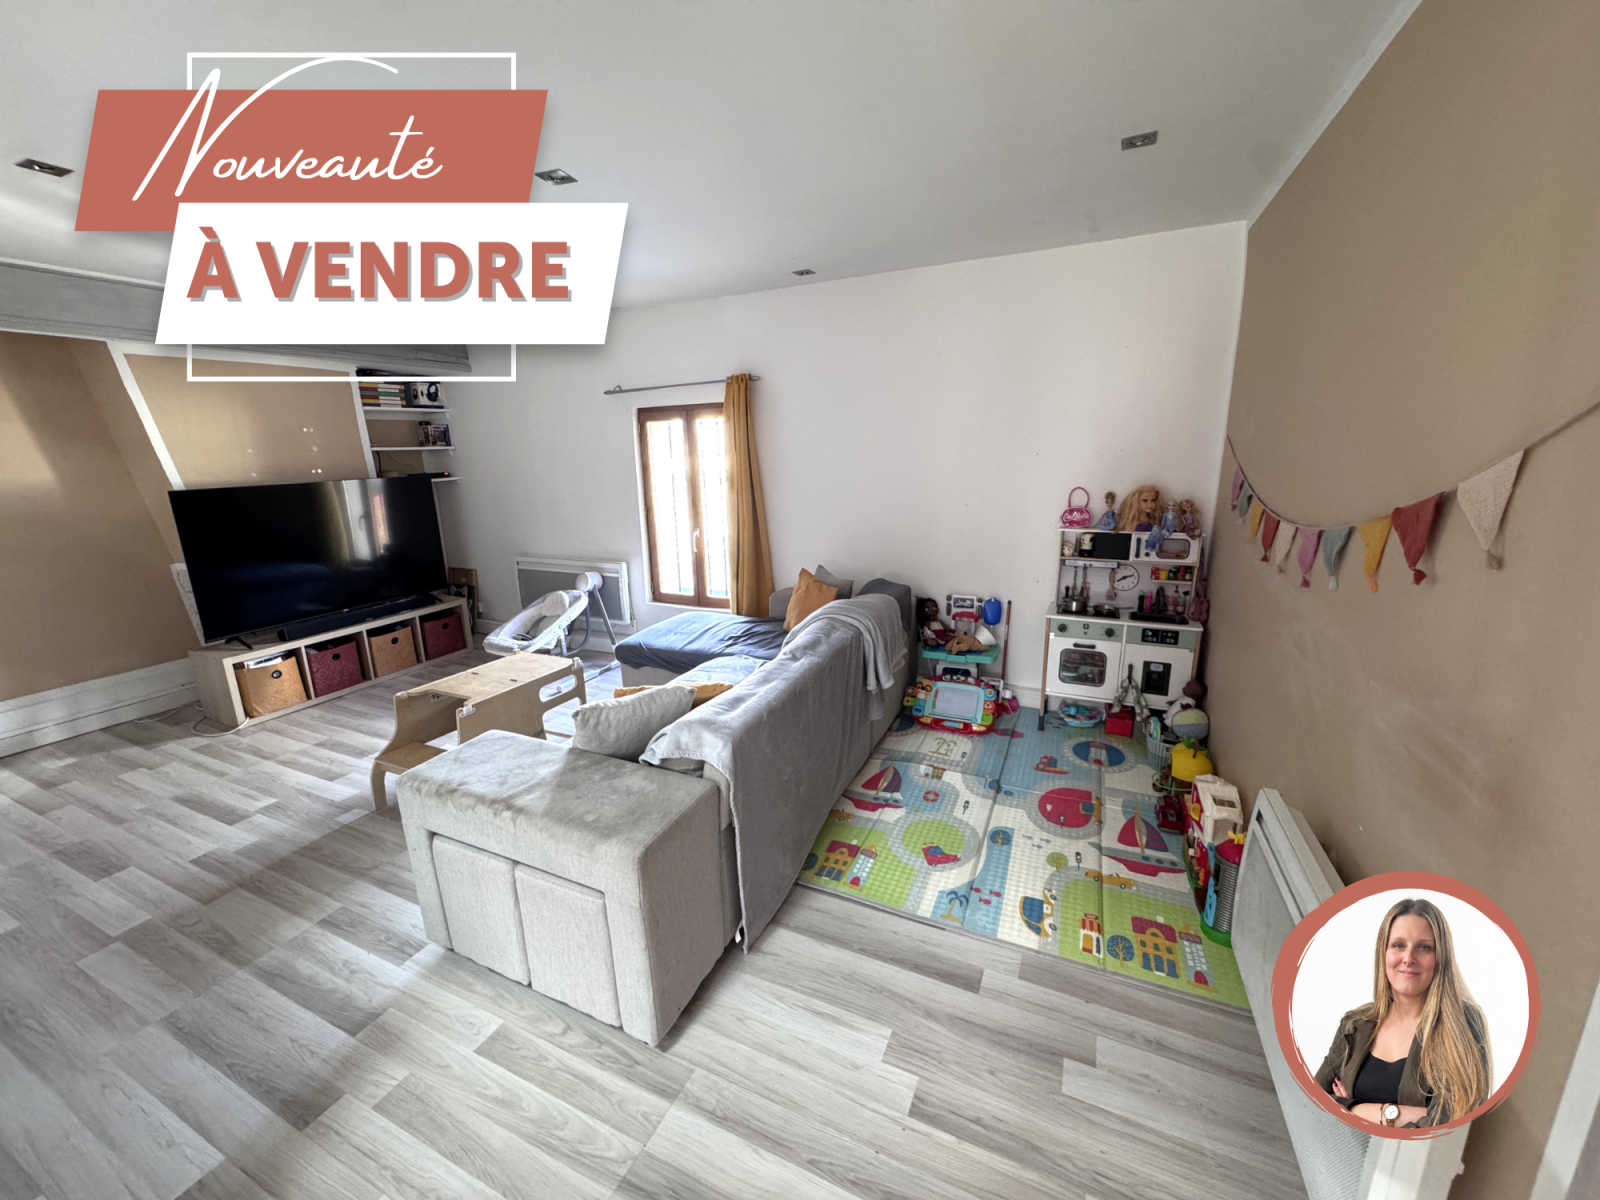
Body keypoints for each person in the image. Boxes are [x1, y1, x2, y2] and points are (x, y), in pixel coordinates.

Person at [1314, 898, 1492, 1128]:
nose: (1408, 958)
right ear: (1383, 953)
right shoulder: (1355, 1023)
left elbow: (1449, 1125)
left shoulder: (1461, 1021)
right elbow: (1313, 1103)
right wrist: (1394, 1114)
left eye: (1424, 947)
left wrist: (1350, 1108)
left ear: (1440, 958)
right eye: (1398, 945)